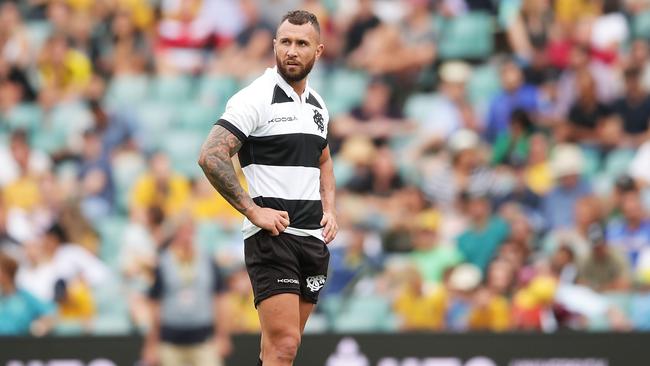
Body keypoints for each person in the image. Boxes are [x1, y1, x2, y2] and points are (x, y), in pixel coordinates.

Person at [198, 10, 337, 366]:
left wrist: (331, 210)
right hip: (274, 239)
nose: (292, 50)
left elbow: (323, 160)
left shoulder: (318, 104)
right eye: (285, 42)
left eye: (301, 43)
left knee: (277, 351)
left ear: (318, 51)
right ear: (274, 45)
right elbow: (211, 155)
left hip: (312, 241)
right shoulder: (256, 97)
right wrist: (252, 210)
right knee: (285, 346)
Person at [142, 219, 232, 366]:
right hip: (170, 342)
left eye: (189, 232)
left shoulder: (208, 261)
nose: (186, 238)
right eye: (181, 233)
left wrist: (223, 336)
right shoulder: (163, 263)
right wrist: (151, 344)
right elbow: (154, 305)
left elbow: (220, 299)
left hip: (204, 341)